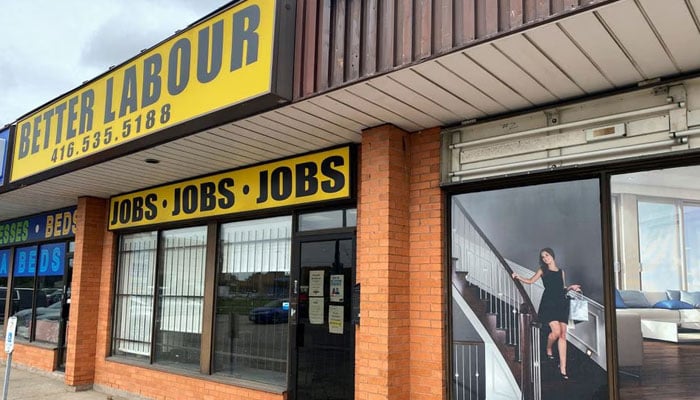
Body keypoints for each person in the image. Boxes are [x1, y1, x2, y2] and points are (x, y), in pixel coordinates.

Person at [511, 248, 581, 380]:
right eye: (543, 257)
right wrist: (518, 277)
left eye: (547, 255)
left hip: (561, 303)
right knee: (555, 332)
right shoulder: (543, 270)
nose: (545, 259)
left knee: (562, 334)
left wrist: (571, 287)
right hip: (549, 303)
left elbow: (562, 288)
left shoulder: (561, 272)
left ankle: (563, 368)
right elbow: (531, 281)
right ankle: (548, 348)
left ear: (552, 256)